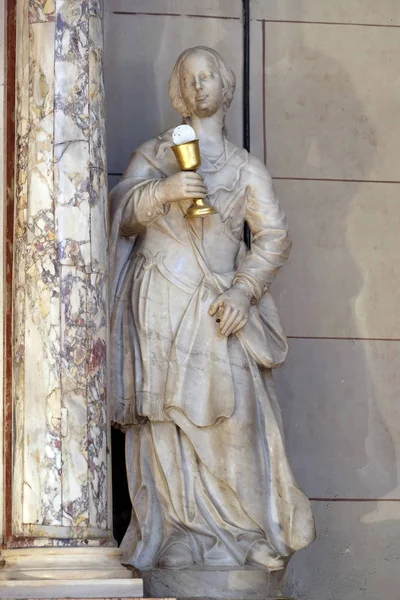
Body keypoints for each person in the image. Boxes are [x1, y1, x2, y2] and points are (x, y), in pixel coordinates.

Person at [109, 46, 315, 572]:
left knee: (234, 421)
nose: (198, 86)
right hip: (158, 300)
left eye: (207, 77)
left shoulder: (246, 168)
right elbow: (118, 214)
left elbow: (274, 238)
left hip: (218, 307)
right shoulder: (155, 154)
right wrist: (163, 191)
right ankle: (178, 531)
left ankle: (244, 532)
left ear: (226, 87)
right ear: (179, 91)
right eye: (188, 78)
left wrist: (244, 291)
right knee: (165, 424)